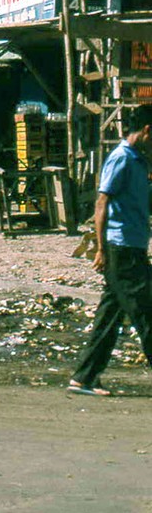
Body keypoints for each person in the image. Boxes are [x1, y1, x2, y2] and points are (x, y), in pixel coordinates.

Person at [69, 104, 152, 397]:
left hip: (133, 247)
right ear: (147, 130)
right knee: (146, 312)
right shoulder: (121, 159)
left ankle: (84, 377)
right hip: (122, 249)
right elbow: (102, 203)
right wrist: (100, 249)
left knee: (110, 317)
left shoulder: (139, 162)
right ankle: (84, 377)